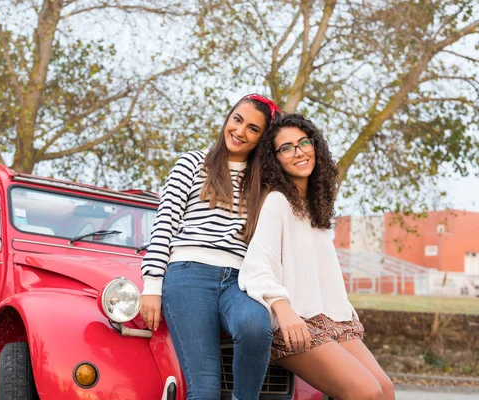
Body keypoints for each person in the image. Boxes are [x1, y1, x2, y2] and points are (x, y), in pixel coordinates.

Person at [238, 113, 395, 400]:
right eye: (286, 148)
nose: (298, 152)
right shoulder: (277, 202)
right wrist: (282, 309)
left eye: (303, 143)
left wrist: (345, 313)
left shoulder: (316, 207)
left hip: (332, 320)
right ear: (275, 159)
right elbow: (256, 266)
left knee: (385, 390)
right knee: (366, 392)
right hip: (294, 323)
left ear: (315, 146)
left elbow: (322, 273)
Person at [140, 94, 280, 400]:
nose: (240, 132)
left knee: (256, 328)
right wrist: (152, 285)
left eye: (253, 129)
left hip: (240, 281)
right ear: (228, 118)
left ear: (261, 139)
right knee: (203, 389)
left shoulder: (264, 183)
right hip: (188, 275)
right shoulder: (192, 162)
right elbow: (165, 223)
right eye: (237, 120)